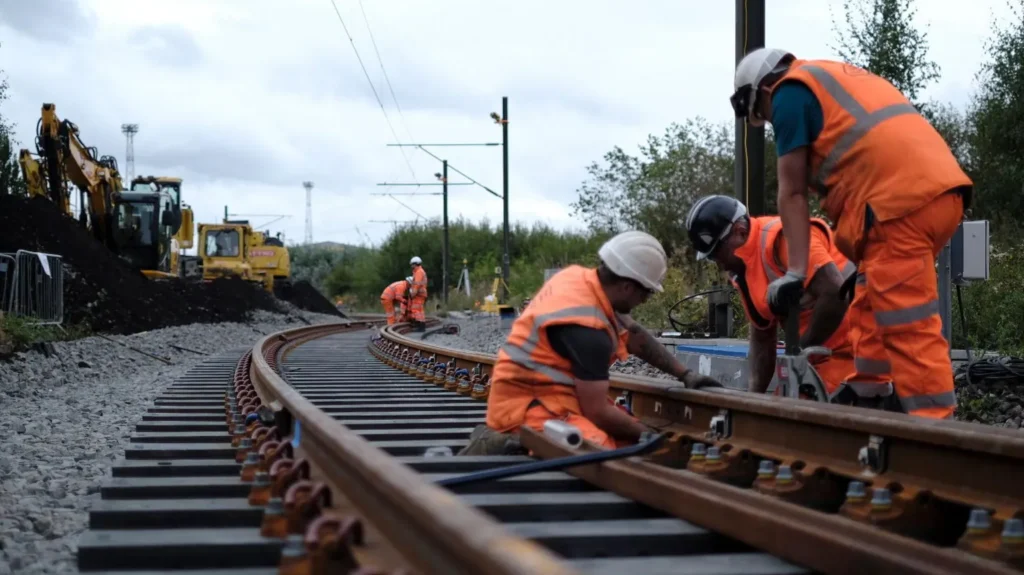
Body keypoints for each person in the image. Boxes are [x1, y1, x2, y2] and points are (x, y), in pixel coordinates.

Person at [729, 48, 972, 419]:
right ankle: (869, 394)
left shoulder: (788, 92)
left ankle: (938, 433)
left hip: (896, 208)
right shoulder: (829, 76)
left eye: (762, 114)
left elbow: (791, 192)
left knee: (909, 327)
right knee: (869, 300)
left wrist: (796, 272)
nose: (771, 121)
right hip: (937, 195)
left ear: (762, 90)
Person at [484, 231, 723, 450]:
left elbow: (634, 335)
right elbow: (597, 412)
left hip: (548, 396)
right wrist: (649, 436)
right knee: (601, 449)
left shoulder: (577, 279)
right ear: (627, 287)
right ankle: (505, 442)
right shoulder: (589, 330)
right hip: (525, 408)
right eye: (647, 292)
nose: (645, 300)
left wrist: (685, 375)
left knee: (625, 437)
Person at [685, 194, 890, 397]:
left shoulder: (783, 238)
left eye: (715, 253)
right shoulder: (742, 270)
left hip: (858, 350)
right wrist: (753, 400)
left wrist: (798, 354)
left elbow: (835, 293)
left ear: (739, 232)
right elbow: (763, 337)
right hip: (818, 358)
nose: (717, 262)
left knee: (800, 419)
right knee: (776, 415)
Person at [408, 256, 428, 331]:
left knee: (415, 310)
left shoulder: (419, 272)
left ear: (415, 264)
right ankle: (421, 325)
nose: (411, 266)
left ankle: (420, 326)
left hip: (418, 294)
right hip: (421, 294)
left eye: (412, 264)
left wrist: (413, 293)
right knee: (420, 310)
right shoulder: (420, 271)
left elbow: (417, 285)